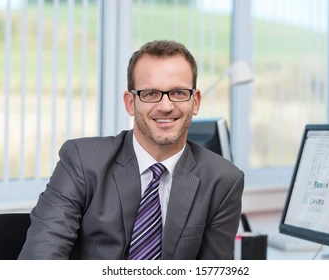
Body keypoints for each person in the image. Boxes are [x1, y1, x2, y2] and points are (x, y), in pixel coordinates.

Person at [19, 40, 244, 260]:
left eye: (178, 93)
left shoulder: (223, 181)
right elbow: (40, 261)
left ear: (195, 102)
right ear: (130, 103)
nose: (166, 106)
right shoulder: (82, 160)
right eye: (150, 94)